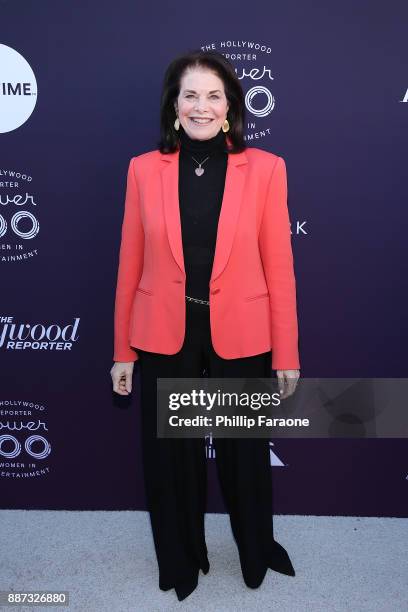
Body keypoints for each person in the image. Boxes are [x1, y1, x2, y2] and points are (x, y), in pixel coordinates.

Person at [110, 49, 300, 602]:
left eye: (213, 95)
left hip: (240, 331)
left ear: (230, 107)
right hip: (166, 332)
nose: (201, 106)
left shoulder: (266, 169)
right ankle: (181, 558)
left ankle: (255, 551)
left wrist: (286, 352)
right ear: (174, 106)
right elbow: (130, 264)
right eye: (189, 94)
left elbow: (280, 269)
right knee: (173, 459)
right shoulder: (143, 170)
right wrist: (123, 349)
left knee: (244, 454)